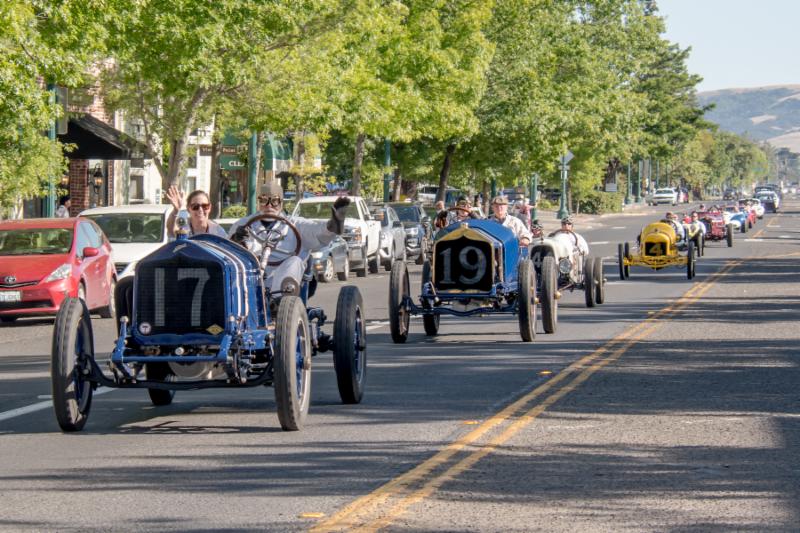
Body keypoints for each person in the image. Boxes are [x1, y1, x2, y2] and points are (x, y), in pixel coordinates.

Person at [228, 181, 349, 297]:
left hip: (284, 278)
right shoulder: (244, 224)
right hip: (251, 279)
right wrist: (236, 240)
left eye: (274, 200)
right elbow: (227, 251)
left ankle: (281, 299)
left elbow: (317, 230)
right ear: (259, 202)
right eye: (264, 200)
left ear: (281, 202)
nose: (269, 205)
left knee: (295, 261)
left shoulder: (296, 224)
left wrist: (334, 224)